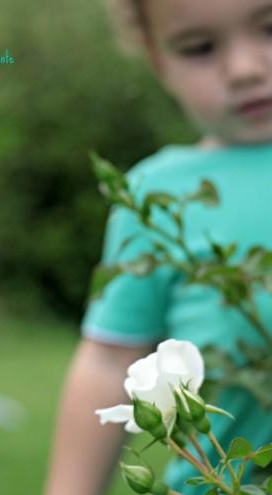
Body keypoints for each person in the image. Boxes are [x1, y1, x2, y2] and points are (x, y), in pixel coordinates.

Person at [44, 0, 272, 493]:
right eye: (200, 48)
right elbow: (108, 360)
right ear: (157, 60)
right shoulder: (153, 195)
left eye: (271, 28)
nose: (245, 69)